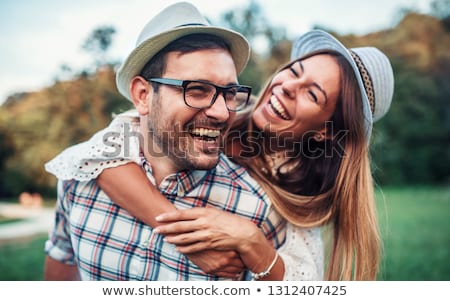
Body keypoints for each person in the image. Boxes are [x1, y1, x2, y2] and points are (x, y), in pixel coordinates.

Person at [47, 27, 394, 280]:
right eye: (293, 71)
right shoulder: (221, 115)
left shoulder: (296, 199)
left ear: (326, 130)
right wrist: (186, 237)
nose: (287, 87)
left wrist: (252, 243)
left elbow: (301, 281)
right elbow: (109, 147)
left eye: (312, 94)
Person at [43, 2, 287, 281]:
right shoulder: (81, 175)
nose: (222, 112)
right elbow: (62, 257)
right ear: (143, 96)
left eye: (230, 93)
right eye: (196, 90)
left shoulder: (257, 209)